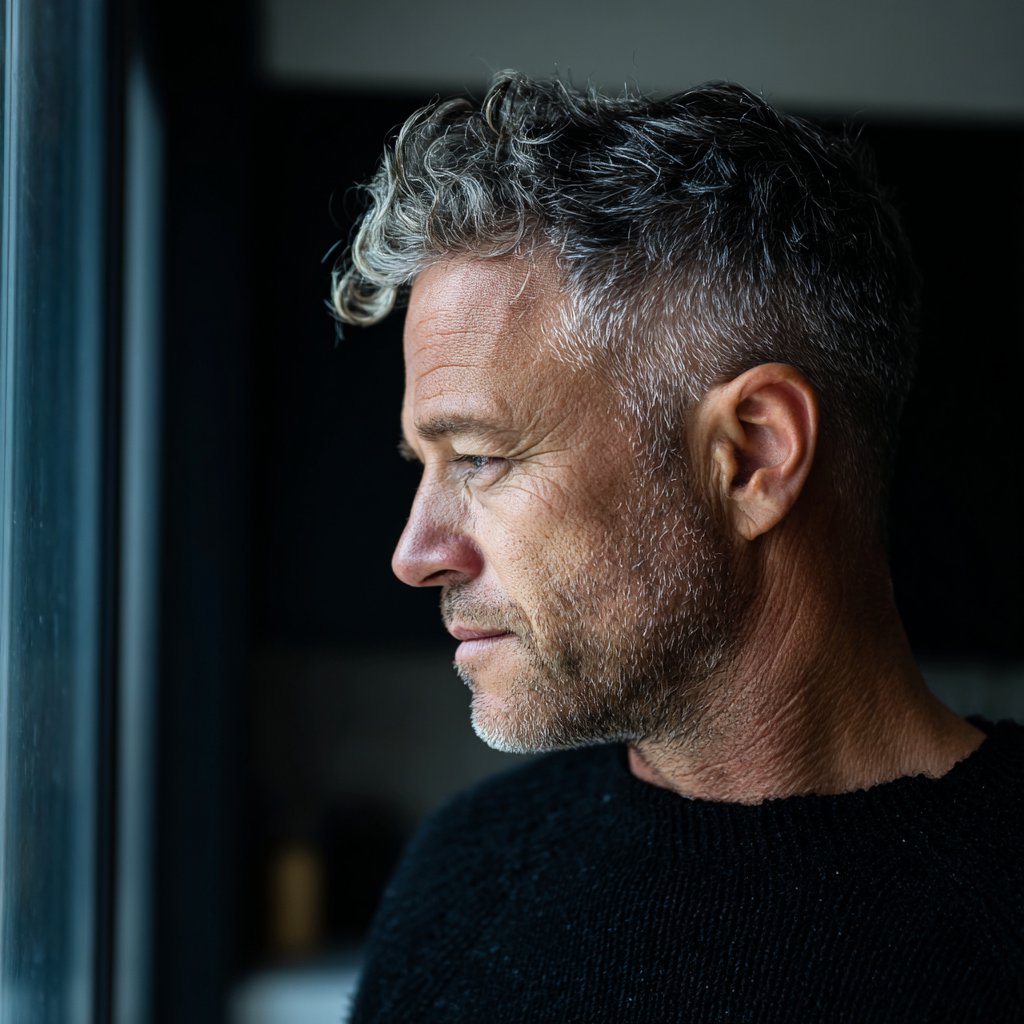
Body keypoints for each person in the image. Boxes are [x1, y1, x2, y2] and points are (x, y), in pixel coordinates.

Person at [331, 72, 1023, 1022]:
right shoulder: (465, 873)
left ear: (751, 458)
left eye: (482, 457)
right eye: (423, 461)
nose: (418, 553)